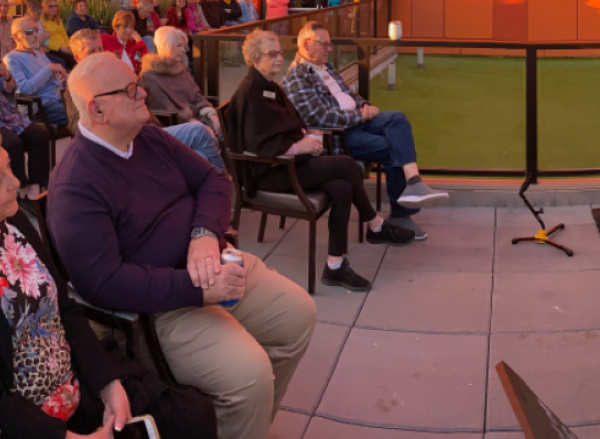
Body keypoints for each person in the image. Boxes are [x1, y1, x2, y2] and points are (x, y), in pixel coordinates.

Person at [49, 52, 316, 439]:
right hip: (163, 307)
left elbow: (215, 181)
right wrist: (197, 289)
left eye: (137, 81)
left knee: (298, 316)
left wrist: (204, 235)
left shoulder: (149, 137)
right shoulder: (76, 185)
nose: (143, 92)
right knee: (250, 375)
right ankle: (245, 413)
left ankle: (247, 423)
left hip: (215, 264)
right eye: (131, 89)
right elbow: (101, 283)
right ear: (98, 109)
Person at [0, 145, 219, 439]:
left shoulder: (14, 224)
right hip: (27, 421)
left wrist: (106, 382)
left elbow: (66, 310)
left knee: (192, 414)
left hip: (74, 379)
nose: (15, 182)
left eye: (10, 167)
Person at [229, 30, 415, 290]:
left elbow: (287, 123)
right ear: (254, 58)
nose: (280, 58)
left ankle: (335, 266)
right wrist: (298, 146)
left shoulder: (270, 86)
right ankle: (375, 224)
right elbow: (259, 145)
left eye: (280, 52)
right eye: (272, 54)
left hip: (289, 162)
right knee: (346, 164)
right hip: (270, 172)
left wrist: (308, 136)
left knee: (343, 187)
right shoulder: (252, 92)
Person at [282, 22, 448, 238]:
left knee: (397, 118)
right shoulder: (297, 77)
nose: (329, 49)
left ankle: (414, 182)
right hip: (339, 137)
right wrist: (359, 115)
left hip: (358, 121)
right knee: (392, 147)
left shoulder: (326, 67)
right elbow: (321, 117)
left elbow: (348, 94)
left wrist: (363, 105)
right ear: (306, 43)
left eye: (330, 45)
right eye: (325, 44)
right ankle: (401, 215)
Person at [67, 29, 224, 169]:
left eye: (100, 49)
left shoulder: (115, 75)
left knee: (201, 155)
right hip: (133, 139)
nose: (98, 55)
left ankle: (213, 186)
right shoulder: (77, 89)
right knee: (198, 132)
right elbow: (79, 126)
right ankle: (222, 183)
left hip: (151, 129)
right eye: (91, 51)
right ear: (77, 57)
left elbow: (143, 97)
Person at [141, 27, 219, 134]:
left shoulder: (181, 70)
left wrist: (211, 114)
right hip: (173, 127)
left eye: (184, 46)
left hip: (196, 118)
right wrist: (189, 120)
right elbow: (163, 112)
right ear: (165, 46)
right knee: (203, 132)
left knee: (223, 126)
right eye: (179, 46)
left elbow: (196, 95)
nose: (183, 50)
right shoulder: (149, 76)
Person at [0, 56, 52, 201]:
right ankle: (22, 188)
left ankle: (35, 190)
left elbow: (10, 90)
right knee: (12, 143)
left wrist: (7, 75)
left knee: (39, 135)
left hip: (9, 116)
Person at [5, 17, 69, 126]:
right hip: (39, 106)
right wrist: (48, 69)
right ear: (16, 37)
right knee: (83, 115)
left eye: (36, 30)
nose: (35, 35)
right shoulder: (11, 59)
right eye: (29, 32)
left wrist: (63, 79)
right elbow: (23, 90)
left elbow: (55, 78)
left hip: (57, 98)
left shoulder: (39, 54)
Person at [41, 0, 75, 70]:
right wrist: (60, 48)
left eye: (55, 6)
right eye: (51, 6)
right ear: (45, 7)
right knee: (72, 63)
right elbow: (44, 41)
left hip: (64, 48)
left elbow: (64, 35)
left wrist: (69, 47)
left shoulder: (58, 20)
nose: (54, 8)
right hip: (52, 49)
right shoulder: (42, 22)